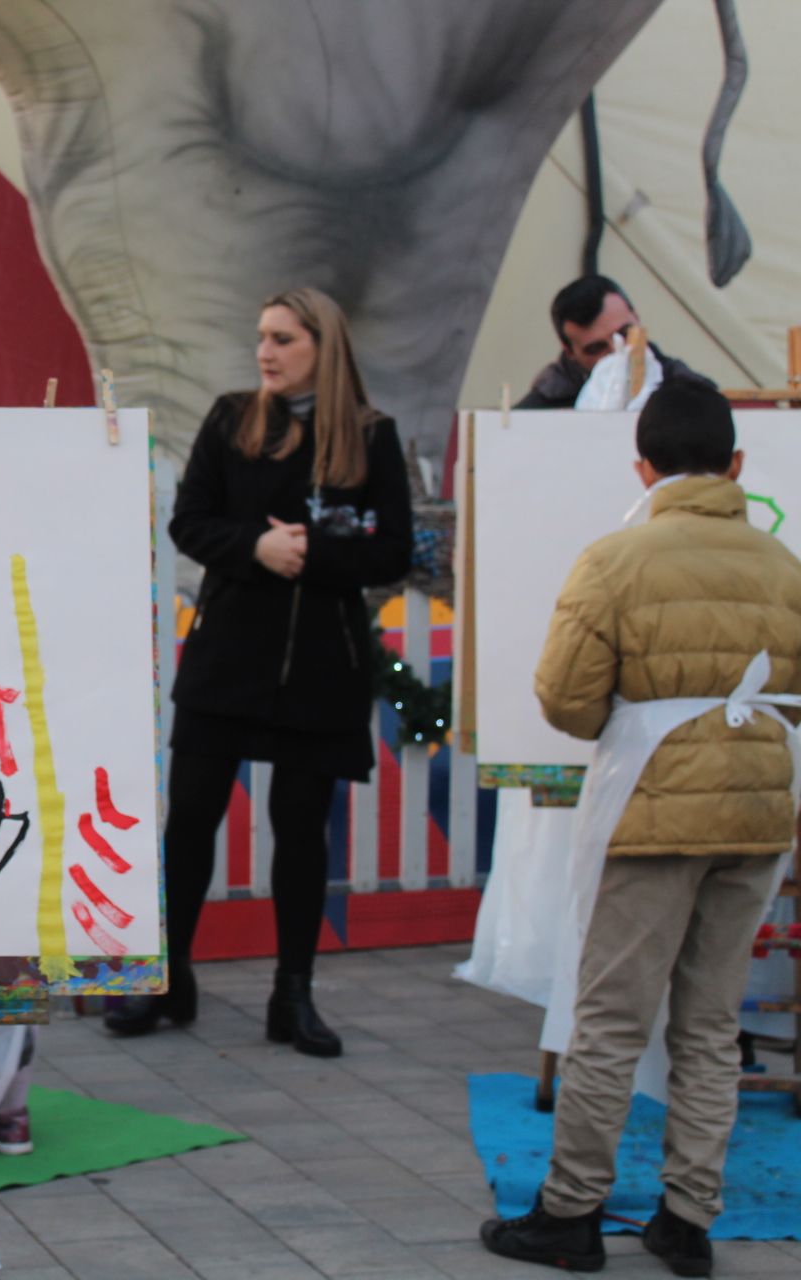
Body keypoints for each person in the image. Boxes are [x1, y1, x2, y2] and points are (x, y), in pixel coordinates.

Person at [480, 380, 801, 1277]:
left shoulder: (615, 559)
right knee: (709, 1024)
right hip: (757, 811)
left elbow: (564, 698)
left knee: (611, 1020)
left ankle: (571, 1212)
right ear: (736, 466)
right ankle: (688, 1216)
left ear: (644, 466)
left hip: (652, 811)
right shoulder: (786, 565)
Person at [106, 287, 413, 1053]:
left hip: (322, 666)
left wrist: (313, 553)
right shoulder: (231, 418)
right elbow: (190, 523)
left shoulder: (371, 437)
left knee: (301, 831)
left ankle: (293, 996)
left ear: (323, 346)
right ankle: (168, 981)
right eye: (262, 338)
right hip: (229, 655)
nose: (266, 352)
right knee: (193, 822)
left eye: (283, 338)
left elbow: (393, 552)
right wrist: (255, 547)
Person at [516, 275, 715, 410]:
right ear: (570, 352)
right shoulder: (541, 407)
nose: (615, 351)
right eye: (596, 348)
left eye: (625, 334)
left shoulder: (685, 386)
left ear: (637, 318)